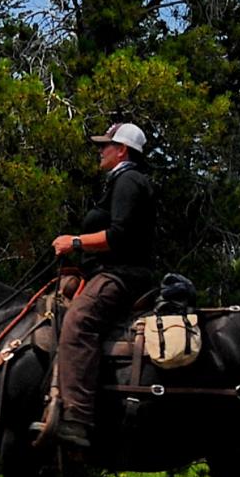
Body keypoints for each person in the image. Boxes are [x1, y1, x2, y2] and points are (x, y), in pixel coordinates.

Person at [47, 122, 158, 451]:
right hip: (114, 271)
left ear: (122, 150)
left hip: (122, 275)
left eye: (106, 145)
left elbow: (119, 236)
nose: (100, 150)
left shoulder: (128, 181)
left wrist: (76, 242)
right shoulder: (122, 181)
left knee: (78, 321)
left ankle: (78, 418)